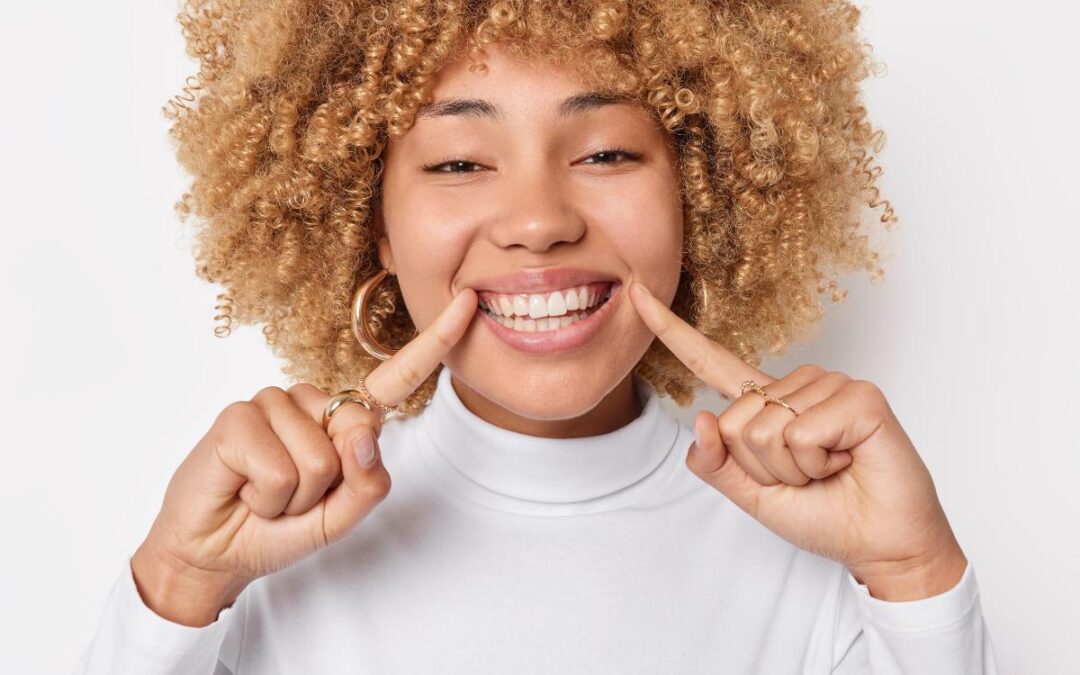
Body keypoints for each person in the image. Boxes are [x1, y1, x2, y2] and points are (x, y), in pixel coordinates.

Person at [75, 0, 998, 672]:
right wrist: (177, 584)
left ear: (703, 198)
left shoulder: (824, 561)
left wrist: (915, 575)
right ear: (373, 227)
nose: (538, 220)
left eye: (604, 152)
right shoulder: (259, 557)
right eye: (460, 161)